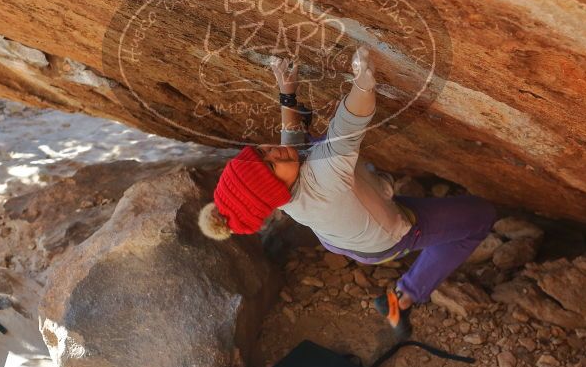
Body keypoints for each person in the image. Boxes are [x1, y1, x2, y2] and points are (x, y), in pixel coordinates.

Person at [198, 46, 496, 337]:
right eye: (271, 166)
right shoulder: (323, 178)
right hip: (387, 236)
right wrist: (363, 84)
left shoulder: (282, 186)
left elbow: (292, 143)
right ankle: (404, 296)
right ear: (276, 189)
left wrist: (287, 94)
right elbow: (348, 125)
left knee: (307, 148)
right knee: (481, 217)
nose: (274, 152)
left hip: (349, 232)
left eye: (263, 153)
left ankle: (406, 268)